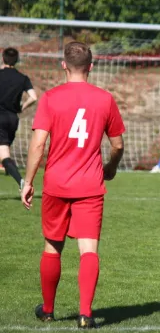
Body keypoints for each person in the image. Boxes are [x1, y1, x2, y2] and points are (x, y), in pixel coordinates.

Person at [20, 42, 125, 329]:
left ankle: (49, 309)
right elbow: (118, 144)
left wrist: (27, 182)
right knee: (88, 250)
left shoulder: (51, 98)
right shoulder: (105, 99)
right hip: (90, 185)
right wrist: (110, 168)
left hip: (56, 184)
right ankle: (85, 314)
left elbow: (38, 144)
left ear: (63, 65)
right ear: (91, 66)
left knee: (52, 247)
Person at [0, 47, 37, 189]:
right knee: (4, 153)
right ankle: (17, 177)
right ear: (17, 60)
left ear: (3, 58)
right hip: (12, 119)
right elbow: (33, 97)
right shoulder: (22, 78)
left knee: (4, 155)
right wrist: (22, 108)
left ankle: (21, 181)